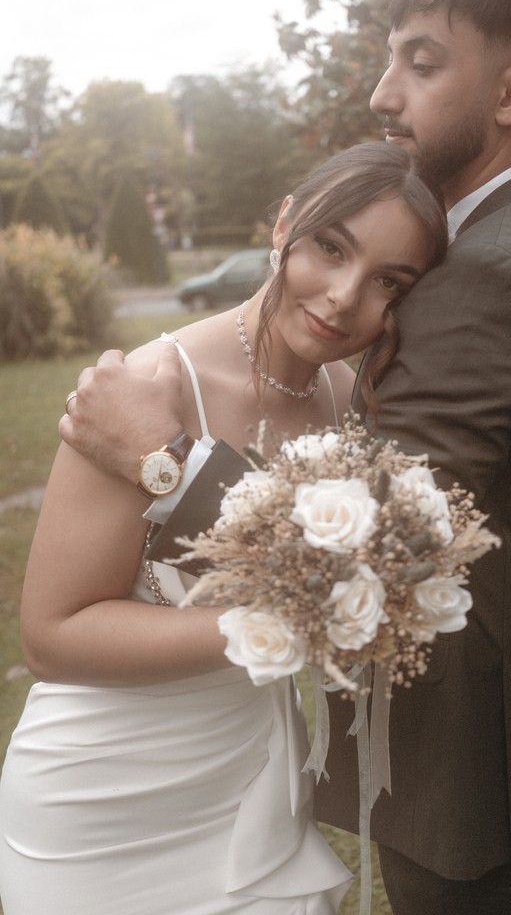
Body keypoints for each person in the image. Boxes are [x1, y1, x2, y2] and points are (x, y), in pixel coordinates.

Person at [49, 0, 511, 915]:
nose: (383, 93)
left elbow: (375, 560)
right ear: (283, 227)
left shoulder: (491, 269)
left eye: (422, 61)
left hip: (475, 757)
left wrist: (163, 463)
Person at [0, 142, 449, 915]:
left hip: (244, 782)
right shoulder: (148, 385)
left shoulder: (351, 400)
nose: (344, 297)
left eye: (386, 282)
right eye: (329, 249)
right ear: (284, 226)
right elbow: (52, 635)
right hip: (100, 799)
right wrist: (284, 621)